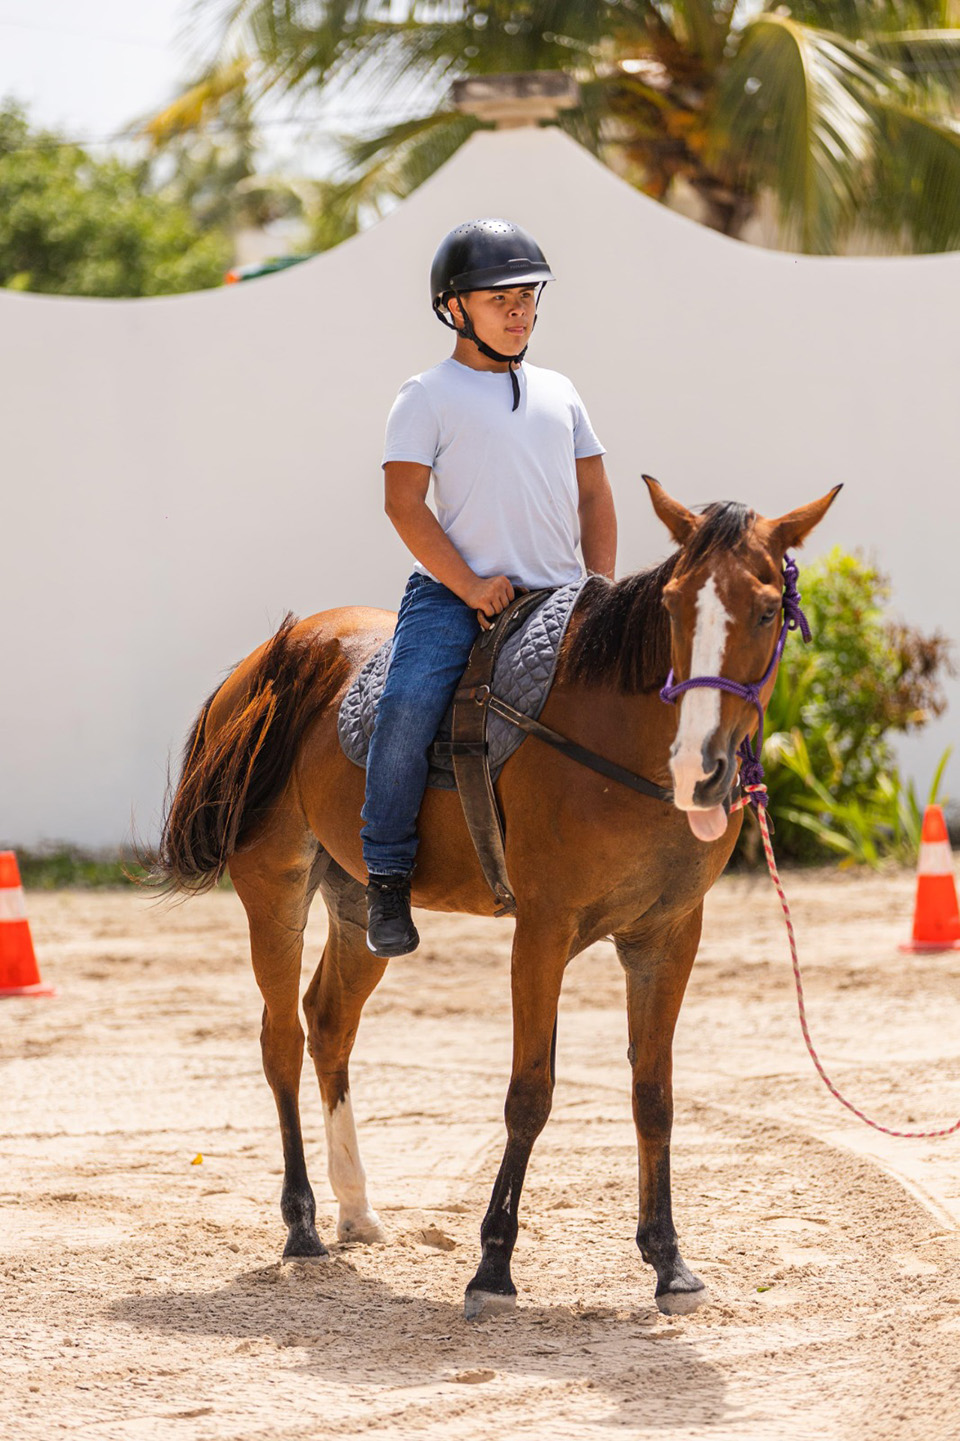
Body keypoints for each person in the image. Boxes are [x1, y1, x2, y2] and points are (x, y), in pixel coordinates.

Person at [362, 218, 617, 958]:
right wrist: (469, 584)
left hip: (562, 592)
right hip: (454, 595)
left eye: (527, 297)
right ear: (455, 309)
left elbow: (595, 493)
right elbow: (402, 503)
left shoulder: (560, 391)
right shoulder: (426, 395)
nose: (519, 311)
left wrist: (597, 584)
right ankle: (385, 873)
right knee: (407, 705)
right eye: (499, 298)